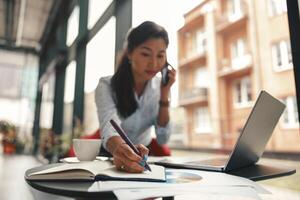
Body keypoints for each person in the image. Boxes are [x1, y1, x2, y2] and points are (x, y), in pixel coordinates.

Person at [95, 21, 176, 173]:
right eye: (145, 54)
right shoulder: (106, 86)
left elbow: (162, 138)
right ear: (130, 53)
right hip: (111, 156)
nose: (154, 63)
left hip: (143, 157)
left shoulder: (162, 88)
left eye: (160, 55)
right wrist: (121, 150)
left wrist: (165, 94)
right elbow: (109, 130)